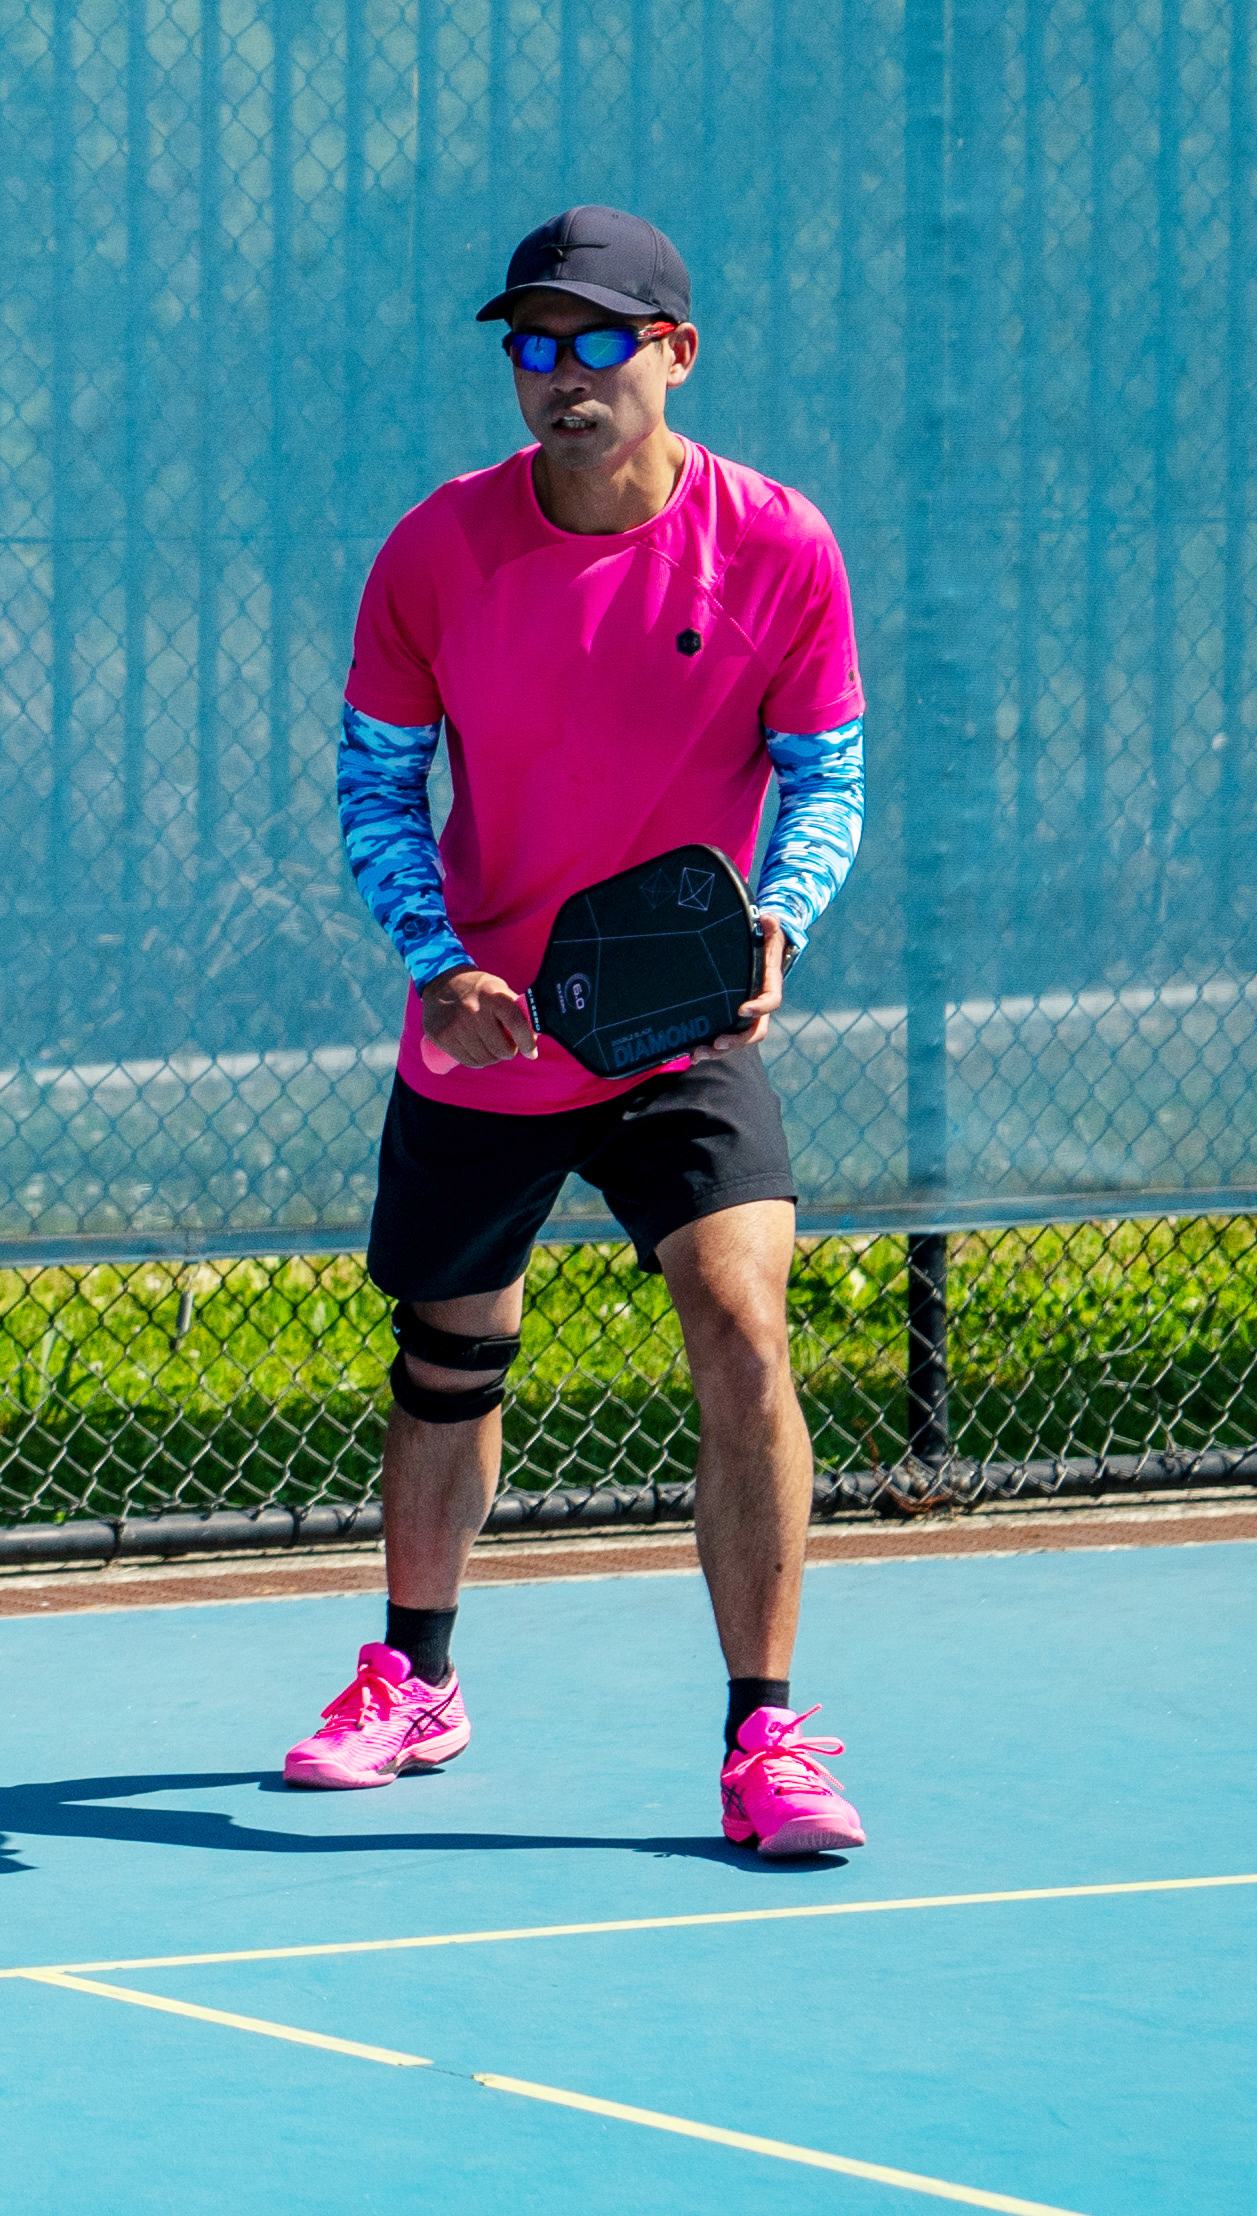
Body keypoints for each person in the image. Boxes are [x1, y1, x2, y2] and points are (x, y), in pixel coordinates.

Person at [293, 209, 872, 1857]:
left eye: (595, 343)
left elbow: (825, 773)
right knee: (448, 1361)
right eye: (532, 347)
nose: (560, 378)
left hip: (680, 1016)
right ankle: (416, 1678)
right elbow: (375, 781)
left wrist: (779, 921)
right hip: (489, 1023)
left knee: (742, 1321)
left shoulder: (777, 548)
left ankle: (767, 1737)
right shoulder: (435, 552)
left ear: (672, 354)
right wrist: (432, 959)